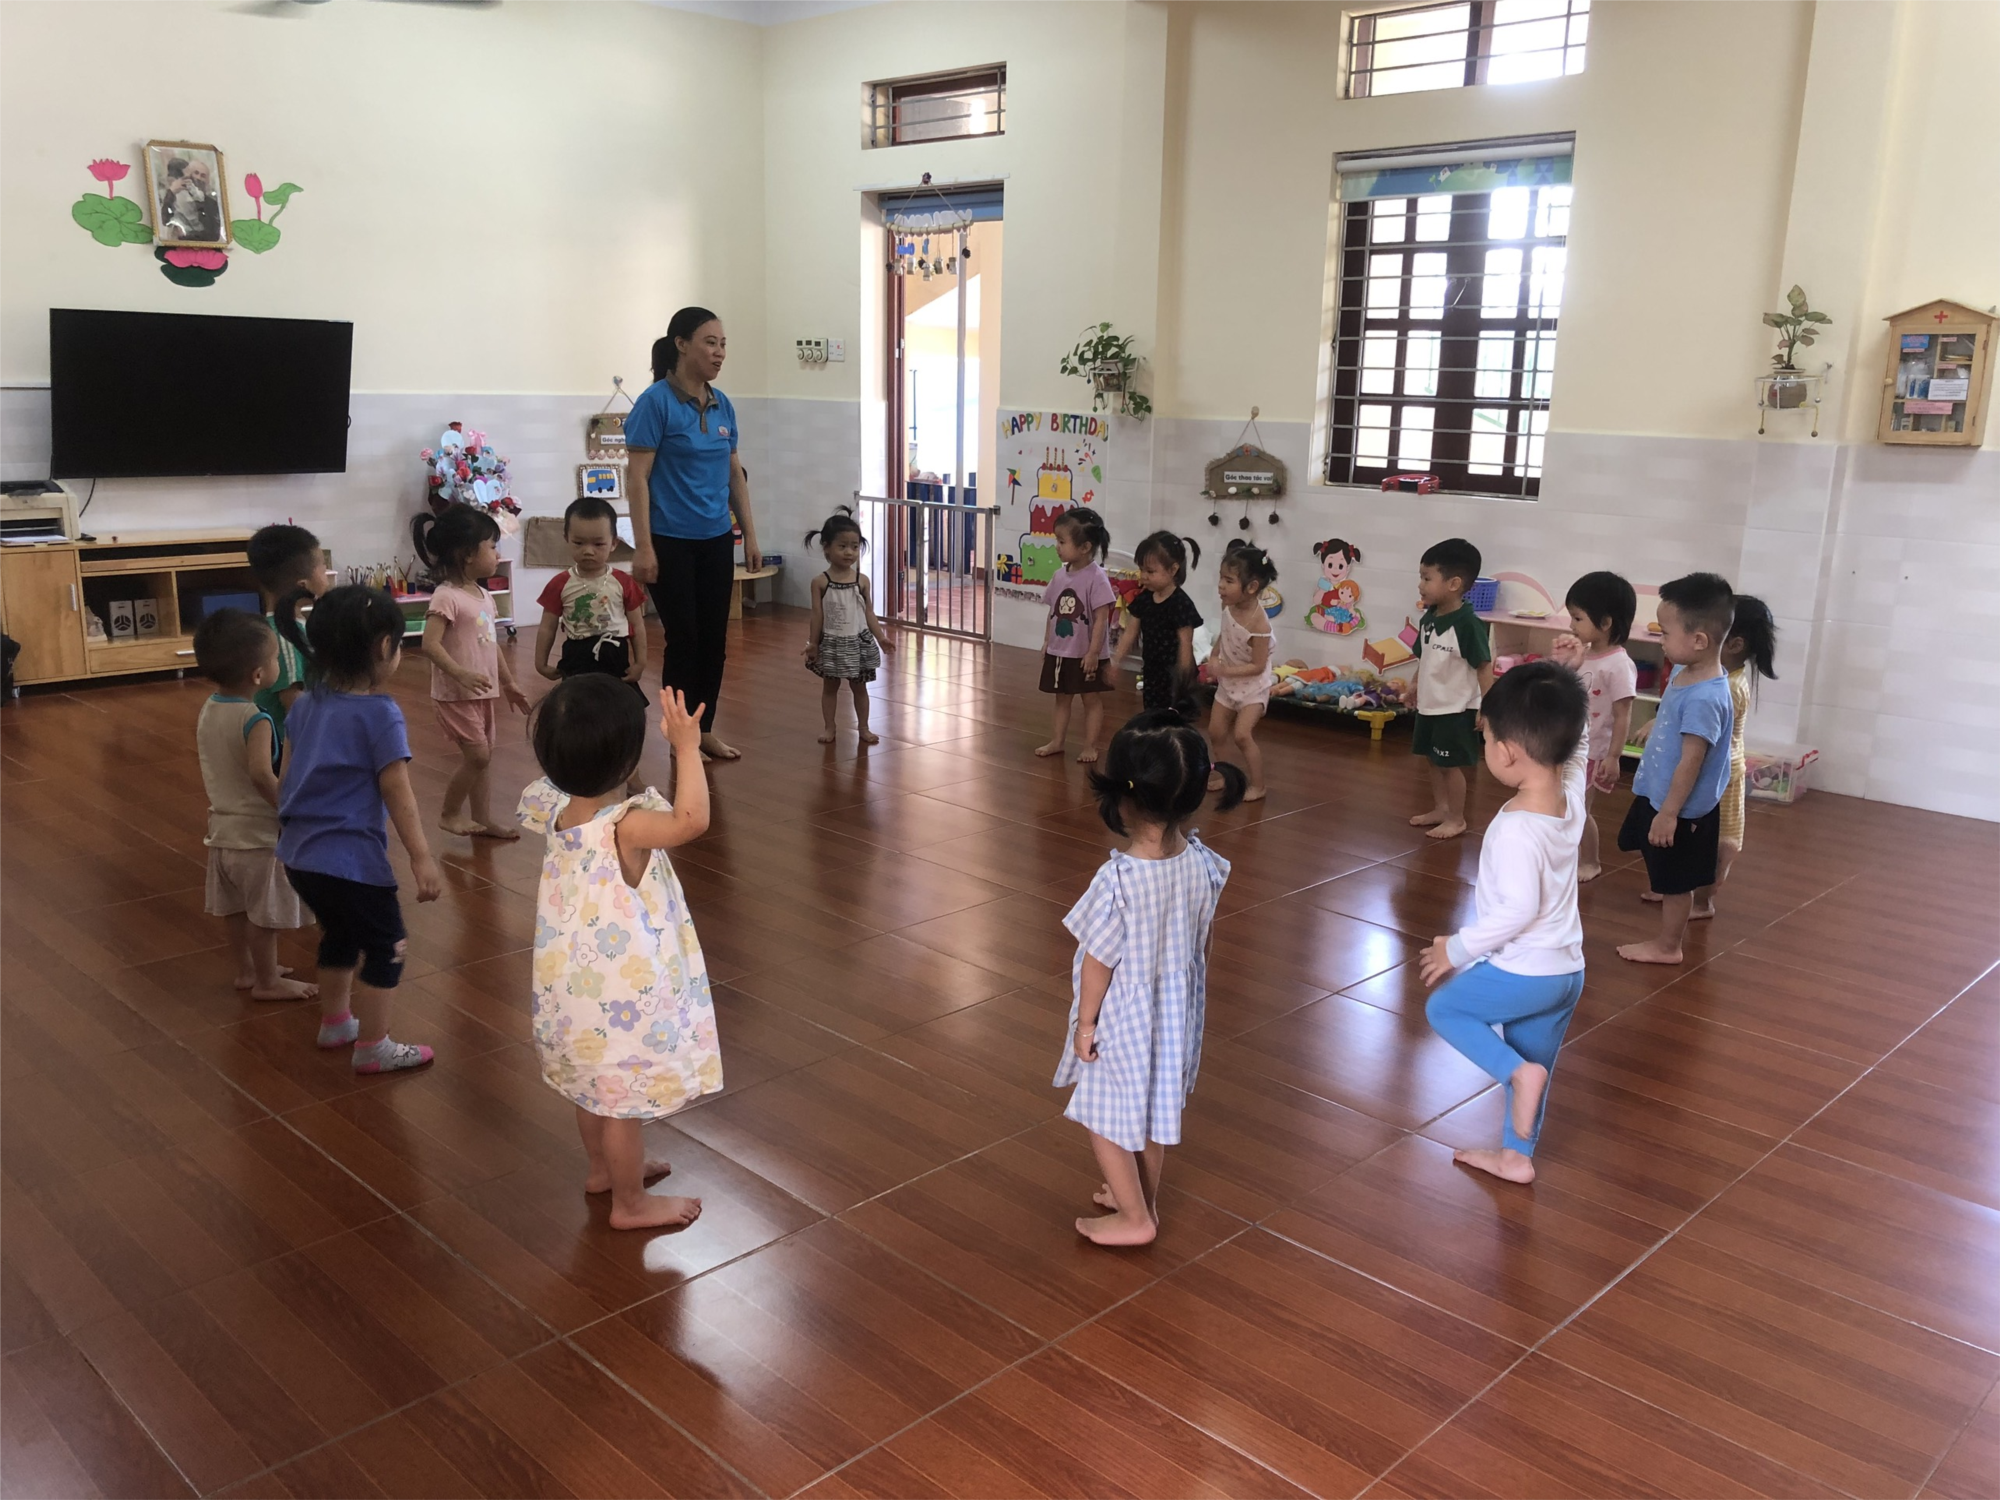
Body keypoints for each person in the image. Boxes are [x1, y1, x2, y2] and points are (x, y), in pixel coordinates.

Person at [517, 677, 721, 1231]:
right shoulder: (624, 827)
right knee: (621, 1108)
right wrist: (686, 747)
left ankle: (603, 1170)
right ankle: (630, 1203)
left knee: (593, 1092)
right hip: (620, 997)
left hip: (571, 986)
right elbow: (692, 820)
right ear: (628, 759)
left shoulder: (551, 805)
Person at [1055, 708, 1243, 1246]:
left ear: (1124, 796)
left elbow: (1097, 961)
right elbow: (1204, 939)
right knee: (1152, 1113)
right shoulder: (1203, 861)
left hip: (1123, 1019)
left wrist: (1086, 1026)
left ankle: (1135, 1220)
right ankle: (1141, 1201)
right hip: (1174, 1013)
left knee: (1105, 1117)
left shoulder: (1118, 880)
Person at [1418, 661, 1590, 1185]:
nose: (1486, 746)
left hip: (1525, 972)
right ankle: (1516, 1156)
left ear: (1508, 752)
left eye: (1487, 738)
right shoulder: (1570, 797)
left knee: (1445, 1008)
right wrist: (1570, 681)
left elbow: (1517, 911)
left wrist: (1457, 949)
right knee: (1535, 1061)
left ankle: (1515, 1075)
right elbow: (1578, 751)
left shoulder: (1516, 830)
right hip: (1566, 972)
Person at [276, 586, 443, 1074]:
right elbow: (397, 791)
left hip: (300, 857)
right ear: (384, 647)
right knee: (387, 947)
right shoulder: (380, 714)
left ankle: (335, 1022)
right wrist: (421, 857)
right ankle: (373, 1046)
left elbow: (287, 778)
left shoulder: (304, 705)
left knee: (340, 934)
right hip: (351, 862)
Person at [626, 306, 763, 764]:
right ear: (681, 344)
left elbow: (734, 475)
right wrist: (643, 546)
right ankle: (678, 734)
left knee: (714, 641)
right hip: (670, 541)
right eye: (710, 342)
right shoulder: (655, 403)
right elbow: (637, 478)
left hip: (716, 539)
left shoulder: (723, 404)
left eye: (723, 344)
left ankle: (702, 730)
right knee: (684, 639)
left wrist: (750, 535)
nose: (719, 352)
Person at [192, 609, 316, 1003]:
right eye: (276, 658)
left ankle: (248, 970)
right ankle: (267, 981)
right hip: (257, 836)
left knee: (236, 910)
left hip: (221, 831)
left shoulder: (209, 709)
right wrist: (287, 807)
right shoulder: (256, 718)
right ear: (259, 675)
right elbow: (262, 774)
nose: (279, 664)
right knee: (265, 915)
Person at [1616, 572, 1735, 965]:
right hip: (1661, 792)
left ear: (1699, 640)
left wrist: (1669, 813)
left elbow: (1692, 760)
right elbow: (1677, 716)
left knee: (1678, 882)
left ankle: (1668, 946)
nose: (1661, 641)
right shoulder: (1687, 674)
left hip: (1680, 807)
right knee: (1663, 865)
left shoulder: (1705, 697)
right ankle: (1666, 883)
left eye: (1665, 633)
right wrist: (1658, 722)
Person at [414, 505, 530, 839]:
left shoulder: (484, 596)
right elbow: (430, 644)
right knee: (477, 757)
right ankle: (449, 814)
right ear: (467, 554)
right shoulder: (445, 597)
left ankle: (482, 818)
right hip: (455, 695)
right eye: (491, 547)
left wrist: (509, 683)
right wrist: (460, 674)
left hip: (482, 692)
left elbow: (492, 645)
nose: (497, 554)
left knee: (484, 757)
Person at [1400, 538, 1492, 840]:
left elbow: (1484, 667)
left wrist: (1487, 707)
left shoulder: (1468, 625)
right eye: (1421, 577)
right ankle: (1441, 808)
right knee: (1432, 758)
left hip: (1455, 709)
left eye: (1427, 578)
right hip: (1430, 705)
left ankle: (1457, 818)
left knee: (1450, 765)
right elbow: (1425, 656)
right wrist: (1415, 684)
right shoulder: (1429, 618)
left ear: (1454, 584)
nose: (1420, 585)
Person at [1692, 593, 1778, 918]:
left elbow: (1706, 735)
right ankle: (1680, 891)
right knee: (1694, 836)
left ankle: (1702, 901)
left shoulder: (1728, 687)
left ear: (1734, 644)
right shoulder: (1713, 677)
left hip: (1721, 776)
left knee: (1716, 842)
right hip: (1707, 770)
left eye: (1705, 631)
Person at [1554, 570, 1639, 882]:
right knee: (1564, 804)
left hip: (1593, 752)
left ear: (1605, 623)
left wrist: (1614, 756)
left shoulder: (1619, 664)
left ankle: (1590, 861)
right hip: (1570, 745)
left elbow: (1623, 715)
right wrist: (1564, 664)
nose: (1571, 625)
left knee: (1579, 808)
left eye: (1577, 618)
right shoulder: (1585, 655)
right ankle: (1568, 857)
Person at [533, 496, 648, 696]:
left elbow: (637, 625)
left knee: (617, 702)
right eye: (578, 543)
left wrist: (640, 662)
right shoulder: (559, 584)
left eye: (598, 544)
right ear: (566, 539)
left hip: (614, 653)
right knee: (577, 703)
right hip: (576, 654)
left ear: (613, 543)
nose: (588, 551)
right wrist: (540, 663)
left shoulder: (624, 582)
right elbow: (547, 627)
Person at [802, 507, 895, 745]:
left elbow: (868, 612)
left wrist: (881, 637)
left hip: (858, 642)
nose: (849, 552)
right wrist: (813, 643)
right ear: (826, 547)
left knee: (860, 687)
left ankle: (863, 727)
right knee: (830, 687)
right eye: (842, 546)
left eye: (854, 546)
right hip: (832, 642)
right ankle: (829, 727)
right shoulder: (820, 582)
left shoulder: (861, 580)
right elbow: (817, 614)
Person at [1034, 507, 1116, 764]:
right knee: (1062, 698)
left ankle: (1090, 746)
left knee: (1090, 699)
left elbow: (1102, 618)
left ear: (1084, 547)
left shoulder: (1097, 578)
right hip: (1061, 650)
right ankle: (1057, 741)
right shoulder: (1059, 576)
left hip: (1086, 654)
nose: (1057, 547)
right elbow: (1053, 612)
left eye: (1062, 542)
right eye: (1056, 540)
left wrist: (1093, 652)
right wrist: (1047, 641)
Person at [1204, 540, 1278, 803]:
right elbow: (1224, 635)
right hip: (1229, 682)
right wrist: (1214, 655)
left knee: (1242, 735)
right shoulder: (1228, 606)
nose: (1220, 586)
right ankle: (1227, 776)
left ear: (1251, 587)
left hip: (1253, 687)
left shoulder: (1259, 624)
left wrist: (1224, 670)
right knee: (1215, 731)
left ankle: (1258, 785)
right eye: (1221, 578)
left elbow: (1258, 666)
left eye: (1229, 581)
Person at [247, 522, 326, 742]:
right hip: (292, 747)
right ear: (303, 585)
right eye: (322, 567)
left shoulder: (290, 626)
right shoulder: (284, 636)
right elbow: (295, 703)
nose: (326, 574)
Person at [1108, 531, 1203, 713]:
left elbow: (1185, 644)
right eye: (1142, 570)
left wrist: (1184, 679)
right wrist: (1116, 661)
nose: (1143, 576)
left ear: (1173, 570)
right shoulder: (1144, 599)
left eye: (1150, 571)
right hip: (1152, 673)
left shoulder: (1181, 604)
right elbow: (1130, 632)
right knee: (1152, 716)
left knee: (1173, 721)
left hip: (1176, 677)